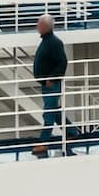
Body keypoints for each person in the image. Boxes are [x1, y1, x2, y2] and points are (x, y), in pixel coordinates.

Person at [32, 14, 68, 156]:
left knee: (49, 113)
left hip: (51, 84)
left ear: (45, 26)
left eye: (39, 24)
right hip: (47, 84)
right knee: (54, 111)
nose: (37, 26)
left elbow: (62, 62)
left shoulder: (54, 42)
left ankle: (44, 142)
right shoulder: (47, 41)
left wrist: (51, 78)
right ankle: (71, 132)